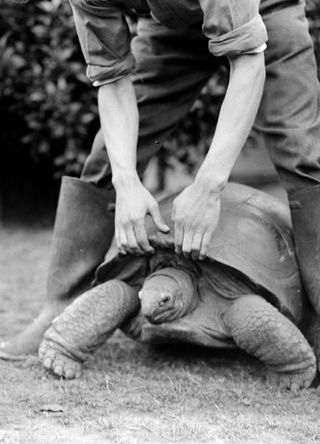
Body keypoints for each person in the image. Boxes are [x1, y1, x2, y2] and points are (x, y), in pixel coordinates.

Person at [1, 0, 320, 359]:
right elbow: (112, 79)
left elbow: (247, 62)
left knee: (303, 154)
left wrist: (208, 186)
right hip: (170, 28)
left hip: (266, 12)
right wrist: (126, 185)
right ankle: (60, 308)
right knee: (108, 158)